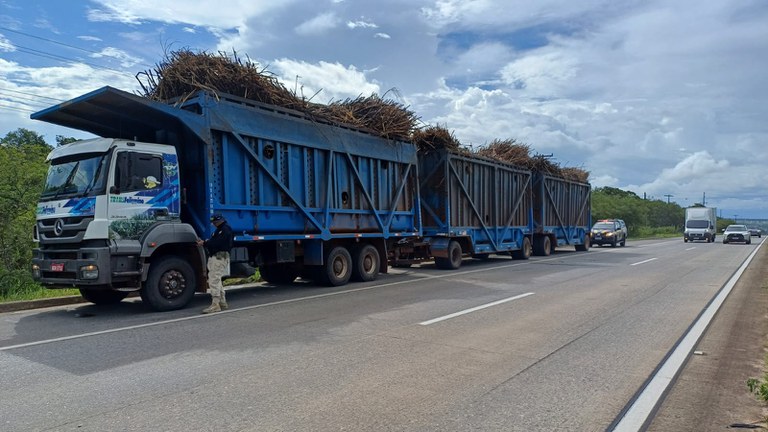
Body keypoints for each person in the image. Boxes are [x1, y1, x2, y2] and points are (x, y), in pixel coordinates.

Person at [197, 213, 234, 313]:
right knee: (217, 280)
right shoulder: (220, 230)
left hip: (219, 258)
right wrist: (206, 242)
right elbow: (214, 242)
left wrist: (205, 243)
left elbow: (217, 243)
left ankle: (215, 304)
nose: (213, 224)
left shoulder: (225, 229)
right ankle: (222, 302)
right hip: (217, 257)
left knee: (213, 280)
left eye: (215, 222)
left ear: (219, 221)